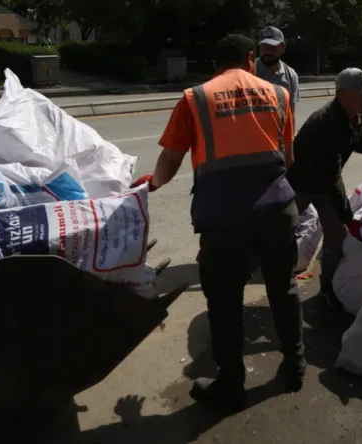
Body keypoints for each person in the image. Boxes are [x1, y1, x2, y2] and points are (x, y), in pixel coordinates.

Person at [131, 34, 305, 409]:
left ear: (215, 65)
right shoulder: (279, 95)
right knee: (283, 289)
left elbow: (171, 158)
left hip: (225, 220)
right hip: (277, 211)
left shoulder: (195, 98)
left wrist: (154, 183)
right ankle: (295, 367)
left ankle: (230, 385)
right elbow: (288, 158)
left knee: (225, 302)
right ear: (249, 58)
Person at [287, 67, 362, 310]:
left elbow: (359, 142)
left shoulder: (353, 114)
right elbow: (331, 176)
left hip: (323, 183)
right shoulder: (326, 122)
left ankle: (327, 289)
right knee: (280, 233)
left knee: (335, 233)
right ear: (343, 94)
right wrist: (348, 217)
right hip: (301, 184)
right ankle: (274, 284)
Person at [255, 26, 300, 116]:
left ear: (283, 47)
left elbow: (290, 112)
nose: (267, 51)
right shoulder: (249, 71)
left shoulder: (291, 75)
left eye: (272, 47)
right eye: (264, 47)